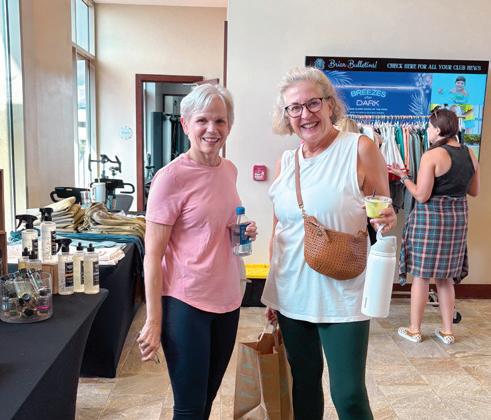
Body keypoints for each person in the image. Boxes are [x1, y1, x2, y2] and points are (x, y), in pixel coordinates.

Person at [261, 67, 396, 420]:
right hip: (291, 293)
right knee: (304, 387)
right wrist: (272, 293)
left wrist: (387, 217)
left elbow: (382, 208)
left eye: (313, 103)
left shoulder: (359, 149)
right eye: (294, 108)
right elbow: (280, 230)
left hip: (343, 292)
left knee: (348, 395)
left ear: (330, 105)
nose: (305, 114)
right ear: (286, 116)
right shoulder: (286, 162)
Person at [138, 83, 257, 419]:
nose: (212, 129)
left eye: (220, 121)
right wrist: (154, 320)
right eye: (202, 120)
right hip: (186, 302)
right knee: (189, 408)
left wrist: (240, 231)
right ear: (185, 124)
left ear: (229, 126)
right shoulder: (170, 178)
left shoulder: (229, 170)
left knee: (206, 401)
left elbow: (214, 224)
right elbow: (153, 255)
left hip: (228, 300)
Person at [388, 107, 479, 345]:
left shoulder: (432, 155)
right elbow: (474, 191)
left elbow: (421, 195)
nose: (427, 131)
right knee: (446, 278)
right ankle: (447, 331)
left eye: (429, 127)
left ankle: (414, 330)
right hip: (457, 220)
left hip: (430, 221)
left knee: (421, 276)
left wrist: (403, 177)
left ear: (438, 130)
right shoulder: (469, 153)